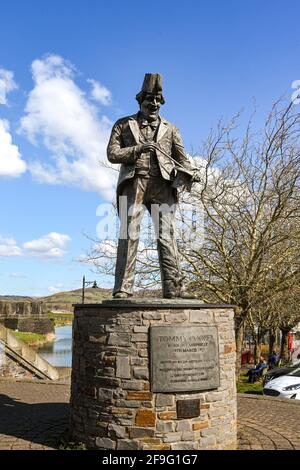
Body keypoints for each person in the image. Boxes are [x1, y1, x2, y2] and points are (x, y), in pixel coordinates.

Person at [107, 73, 200, 299]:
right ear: (140, 101)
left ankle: (174, 288)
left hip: (162, 186)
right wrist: (137, 150)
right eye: (150, 99)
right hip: (134, 183)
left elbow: (182, 158)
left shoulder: (171, 128)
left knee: (166, 235)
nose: (154, 104)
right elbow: (112, 154)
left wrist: (190, 171)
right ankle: (123, 288)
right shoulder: (123, 124)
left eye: (158, 100)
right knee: (129, 235)